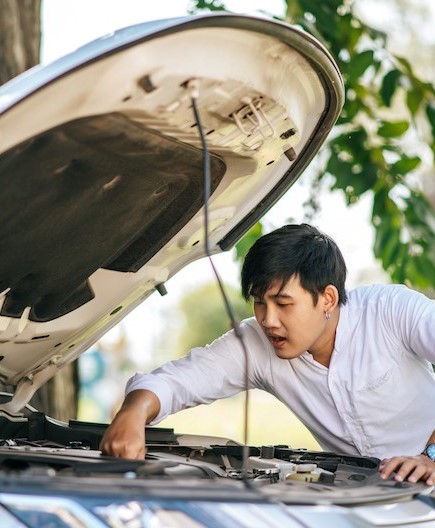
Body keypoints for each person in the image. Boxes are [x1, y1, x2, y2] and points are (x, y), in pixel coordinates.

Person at [100, 223, 435, 485]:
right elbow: (181, 380)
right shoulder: (258, 343)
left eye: (283, 304)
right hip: (368, 499)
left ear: (328, 299)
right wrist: (135, 410)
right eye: (259, 302)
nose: (268, 320)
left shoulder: (391, 312)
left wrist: (430, 456)